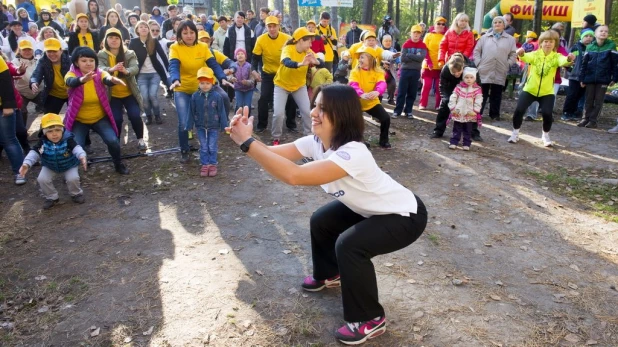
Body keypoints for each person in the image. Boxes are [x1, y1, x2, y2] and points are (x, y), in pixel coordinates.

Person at [226, 84, 428, 346]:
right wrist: (247, 139)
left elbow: (294, 175)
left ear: (342, 115)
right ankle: (329, 274)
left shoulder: (354, 153)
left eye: (323, 109)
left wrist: (248, 143)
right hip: (368, 208)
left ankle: (370, 319)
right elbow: (272, 155)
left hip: (404, 215)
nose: (314, 112)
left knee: (350, 246)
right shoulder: (316, 142)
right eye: (315, 105)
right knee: (322, 221)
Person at [168, 20, 232, 162]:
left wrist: (221, 77)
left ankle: (209, 147)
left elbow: (213, 64)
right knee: (184, 121)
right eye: (185, 33)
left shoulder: (203, 46)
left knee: (207, 119)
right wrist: (175, 79)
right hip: (182, 88)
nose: (189, 36)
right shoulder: (175, 47)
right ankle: (184, 149)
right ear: (180, 34)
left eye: (191, 32)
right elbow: (173, 65)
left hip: (201, 89)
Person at [64, 46, 130, 174]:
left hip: (99, 118)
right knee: (76, 146)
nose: (88, 63)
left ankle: (118, 164)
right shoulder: (71, 73)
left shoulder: (99, 72)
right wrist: (82, 80)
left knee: (113, 141)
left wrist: (113, 79)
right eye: (84, 61)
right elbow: (70, 82)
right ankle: (72, 173)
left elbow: (106, 78)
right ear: (77, 62)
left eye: (91, 60)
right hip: (79, 120)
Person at [507, 31, 574, 147]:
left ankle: (545, 135)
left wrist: (569, 59)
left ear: (555, 44)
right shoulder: (535, 54)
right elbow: (525, 57)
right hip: (530, 89)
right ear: (541, 43)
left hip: (547, 92)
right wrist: (521, 53)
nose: (548, 44)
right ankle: (515, 133)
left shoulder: (556, 57)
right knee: (519, 110)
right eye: (545, 41)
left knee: (547, 114)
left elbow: (564, 61)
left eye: (551, 42)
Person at [20, 113, 87, 209]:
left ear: (62, 130)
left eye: (57, 130)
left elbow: (76, 148)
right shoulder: (43, 142)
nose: (54, 134)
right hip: (49, 165)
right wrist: (26, 163)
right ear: (44, 133)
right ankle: (51, 197)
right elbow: (34, 152)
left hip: (69, 165)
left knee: (73, 178)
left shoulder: (68, 139)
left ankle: (76, 194)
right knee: (42, 179)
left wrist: (82, 156)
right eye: (50, 131)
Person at [269, 27, 323, 146]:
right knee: (278, 114)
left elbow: (321, 63)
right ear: (300, 40)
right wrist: (301, 64)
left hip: (299, 86)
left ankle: (309, 135)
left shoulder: (308, 51)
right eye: (308, 40)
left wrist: (316, 61)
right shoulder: (288, 49)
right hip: (281, 85)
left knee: (306, 111)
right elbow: (286, 62)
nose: (311, 43)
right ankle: (276, 137)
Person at [98, 28, 145, 150]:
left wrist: (126, 71)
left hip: (129, 93)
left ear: (121, 40)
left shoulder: (129, 53)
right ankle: (116, 142)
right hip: (112, 95)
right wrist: (111, 69)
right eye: (111, 38)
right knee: (116, 118)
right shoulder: (101, 54)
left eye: (116, 38)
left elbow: (135, 67)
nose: (114, 41)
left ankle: (140, 139)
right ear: (106, 40)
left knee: (135, 115)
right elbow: (99, 68)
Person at [251, 15, 298, 134]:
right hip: (268, 73)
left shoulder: (287, 38)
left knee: (291, 99)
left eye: (274, 26)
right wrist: (254, 70)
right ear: (266, 27)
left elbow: (295, 54)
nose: (272, 29)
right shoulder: (261, 39)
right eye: (269, 26)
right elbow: (255, 58)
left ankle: (291, 124)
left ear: (279, 26)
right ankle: (262, 125)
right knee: (263, 98)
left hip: (284, 73)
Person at [473, 16, 517, 122]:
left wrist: (508, 64)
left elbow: (513, 54)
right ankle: (478, 113)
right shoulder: (484, 37)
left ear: (504, 25)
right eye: (495, 22)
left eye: (500, 22)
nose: (497, 24)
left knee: (496, 93)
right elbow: (476, 52)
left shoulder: (510, 39)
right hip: (484, 69)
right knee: (482, 92)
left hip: (500, 69)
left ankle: (494, 114)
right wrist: (479, 63)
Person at [349, 46, 392, 149]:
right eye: (359, 57)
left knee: (385, 118)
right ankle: (359, 142)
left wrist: (377, 91)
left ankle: (384, 141)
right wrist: (361, 94)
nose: (360, 59)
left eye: (363, 57)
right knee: (357, 123)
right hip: (357, 103)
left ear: (371, 59)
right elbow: (353, 84)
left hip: (372, 102)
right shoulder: (355, 72)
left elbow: (382, 83)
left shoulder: (378, 72)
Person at [430, 53, 479, 139]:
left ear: (463, 67)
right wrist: (446, 97)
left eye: (458, 72)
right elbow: (442, 85)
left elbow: (478, 84)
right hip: (451, 87)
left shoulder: (471, 68)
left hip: (467, 87)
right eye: (454, 73)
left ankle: (474, 132)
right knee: (444, 105)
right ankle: (438, 130)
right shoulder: (446, 69)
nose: (456, 74)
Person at [577, 25, 618, 129]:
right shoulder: (590, 47)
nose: (603, 33)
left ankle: (593, 120)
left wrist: (614, 78)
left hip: (603, 78)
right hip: (590, 78)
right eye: (601, 31)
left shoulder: (611, 46)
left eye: (606, 31)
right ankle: (585, 119)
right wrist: (582, 78)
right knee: (588, 99)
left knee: (598, 100)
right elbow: (584, 64)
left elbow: (615, 63)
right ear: (595, 34)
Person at [129, 20, 169, 126]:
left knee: (152, 95)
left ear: (148, 29)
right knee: (144, 97)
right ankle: (148, 116)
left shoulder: (154, 41)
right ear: (137, 30)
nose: (143, 28)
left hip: (154, 73)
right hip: (141, 74)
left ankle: (157, 115)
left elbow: (163, 55)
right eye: (141, 27)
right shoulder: (133, 42)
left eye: (145, 27)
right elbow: (128, 58)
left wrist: (168, 68)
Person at [190, 67, 228, 177]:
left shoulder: (217, 96)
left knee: (212, 146)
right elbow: (191, 111)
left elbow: (222, 112)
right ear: (198, 83)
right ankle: (204, 164)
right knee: (203, 146)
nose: (205, 85)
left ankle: (212, 164)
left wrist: (224, 125)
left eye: (207, 83)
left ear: (212, 83)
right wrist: (189, 125)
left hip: (213, 126)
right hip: (200, 126)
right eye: (202, 83)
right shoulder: (195, 96)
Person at [392, 25, 428, 120]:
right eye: (414, 33)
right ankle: (397, 111)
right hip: (405, 71)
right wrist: (415, 56)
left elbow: (421, 58)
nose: (416, 35)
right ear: (411, 34)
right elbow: (403, 58)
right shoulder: (406, 44)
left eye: (418, 33)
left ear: (421, 34)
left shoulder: (423, 46)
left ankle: (408, 111)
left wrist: (409, 54)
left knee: (412, 92)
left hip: (416, 71)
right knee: (401, 92)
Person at [0, 52, 26, 185]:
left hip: (3, 107)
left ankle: (20, 172)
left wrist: (8, 105)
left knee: (9, 140)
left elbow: (5, 83)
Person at [30, 38, 70, 114]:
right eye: (49, 51)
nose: (52, 54)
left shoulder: (70, 60)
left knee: (76, 119)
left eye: (54, 51)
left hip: (72, 93)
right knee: (49, 120)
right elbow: (36, 73)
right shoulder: (43, 60)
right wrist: (34, 82)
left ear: (61, 50)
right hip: (54, 94)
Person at [561, 29, 594, 122]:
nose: (588, 38)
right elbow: (568, 62)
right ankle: (566, 112)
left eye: (590, 36)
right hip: (575, 76)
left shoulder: (591, 48)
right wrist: (572, 71)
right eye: (586, 36)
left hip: (585, 77)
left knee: (580, 95)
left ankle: (575, 113)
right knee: (572, 95)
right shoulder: (576, 47)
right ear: (582, 37)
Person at [447, 67, 482, 151]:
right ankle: (454, 142)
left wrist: (475, 111)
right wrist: (452, 108)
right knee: (456, 128)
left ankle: (466, 143)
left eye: (471, 77)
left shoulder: (477, 89)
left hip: (469, 113)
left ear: (475, 78)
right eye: (466, 77)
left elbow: (479, 100)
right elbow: (453, 97)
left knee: (468, 129)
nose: (469, 80)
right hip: (458, 112)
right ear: (463, 78)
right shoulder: (459, 87)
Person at [419, 17, 447, 110]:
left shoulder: (446, 36)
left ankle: (438, 105)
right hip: (428, 66)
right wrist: (429, 62)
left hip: (441, 66)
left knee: (439, 88)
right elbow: (424, 50)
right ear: (434, 24)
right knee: (426, 85)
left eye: (443, 24)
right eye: (438, 23)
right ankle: (423, 104)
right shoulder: (428, 35)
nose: (441, 26)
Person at [12, 39, 40, 124]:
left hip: (39, 91)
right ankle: (22, 131)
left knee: (49, 107)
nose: (27, 52)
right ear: (19, 51)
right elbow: (13, 72)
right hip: (22, 92)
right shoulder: (14, 62)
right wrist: (18, 72)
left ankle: (47, 130)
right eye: (24, 50)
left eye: (29, 49)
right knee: (22, 111)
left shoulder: (39, 61)